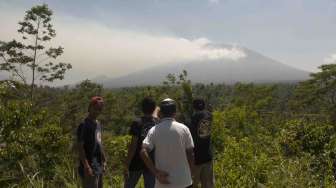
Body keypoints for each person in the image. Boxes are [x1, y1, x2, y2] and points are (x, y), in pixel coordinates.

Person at [140, 98, 195, 188]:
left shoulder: (154, 130)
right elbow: (190, 154)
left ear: (161, 113)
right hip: (183, 180)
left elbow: (143, 152)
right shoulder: (184, 129)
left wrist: (156, 172)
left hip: (163, 182)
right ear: (175, 112)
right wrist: (191, 173)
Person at [124, 97, 158, 188]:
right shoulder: (157, 123)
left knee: (129, 185)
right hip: (151, 161)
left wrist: (127, 163)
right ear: (153, 108)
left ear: (142, 108)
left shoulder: (137, 123)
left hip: (136, 161)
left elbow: (133, 145)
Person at [77, 96, 107, 188]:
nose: (97, 111)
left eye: (100, 109)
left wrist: (104, 160)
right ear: (89, 108)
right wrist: (86, 166)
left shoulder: (97, 123)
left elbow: (99, 143)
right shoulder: (84, 125)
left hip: (98, 165)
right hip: (89, 166)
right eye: (95, 108)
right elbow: (80, 147)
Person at [188, 99, 214, 188]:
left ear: (194, 107)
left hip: (196, 158)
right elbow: (209, 112)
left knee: (193, 184)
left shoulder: (194, 117)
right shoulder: (209, 116)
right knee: (208, 184)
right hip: (207, 156)